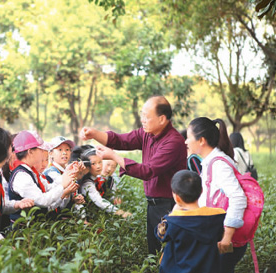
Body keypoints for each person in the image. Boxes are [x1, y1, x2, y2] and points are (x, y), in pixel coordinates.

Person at [80, 95, 187, 254]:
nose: (142, 119)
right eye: (142, 115)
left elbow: (148, 171)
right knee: (154, 252)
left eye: (147, 116)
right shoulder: (147, 133)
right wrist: (94, 133)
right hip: (153, 205)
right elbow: (121, 140)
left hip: (169, 205)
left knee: (168, 254)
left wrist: (115, 157)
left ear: (162, 119)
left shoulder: (173, 142)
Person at [185, 117, 247, 273]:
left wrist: (227, 236)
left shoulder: (219, 164)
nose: (185, 141)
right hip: (215, 234)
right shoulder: (210, 161)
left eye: (188, 137)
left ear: (202, 141)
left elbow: (238, 198)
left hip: (223, 238)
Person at [155, 170, 226, 273]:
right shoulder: (217, 216)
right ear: (201, 191)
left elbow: (160, 235)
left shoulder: (172, 221)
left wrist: (173, 212)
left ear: (177, 197)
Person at [7, 130, 78, 225]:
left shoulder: (31, 172)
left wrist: (67, 174)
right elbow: (42, 200)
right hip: (25, 231)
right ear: (30, 152)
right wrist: (62, 185)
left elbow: (48, 188)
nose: (43, 152)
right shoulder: (21, 176)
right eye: (40, 149)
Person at [78, 148, 131, 218]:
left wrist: (115, 198)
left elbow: (112, 193)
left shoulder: (108, 179)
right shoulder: (87, 182)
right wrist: (118, 212)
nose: (98, 166)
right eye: (93, 163)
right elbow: (99, 201)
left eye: (113, 167)